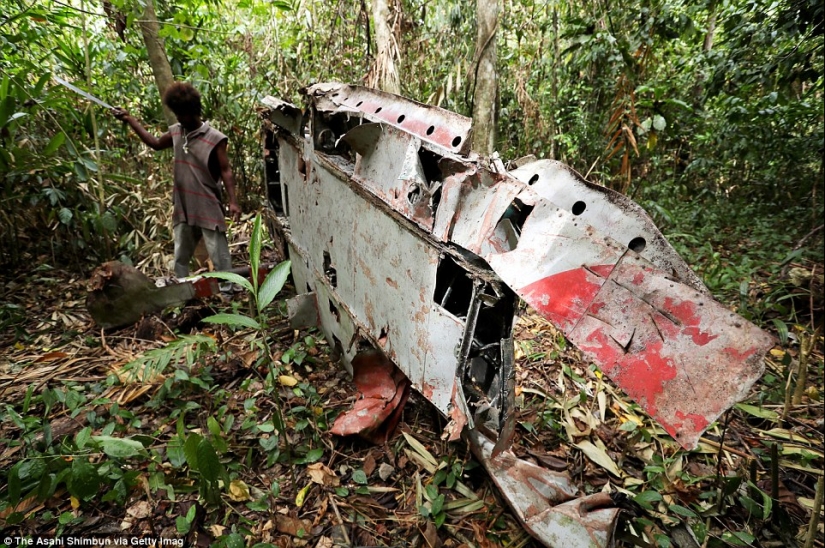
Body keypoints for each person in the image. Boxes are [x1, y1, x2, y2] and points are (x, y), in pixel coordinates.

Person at [112, 82, 242, 278]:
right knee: (181, 255)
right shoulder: (177, 131)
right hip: (184, 204)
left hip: (207, 203)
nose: (180, 118)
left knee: (219, 254)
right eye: (177, 114)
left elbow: (226, 170)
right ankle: (182, 290)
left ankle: (228, 290)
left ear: (194, 112)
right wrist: (130, 119)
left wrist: (233, 202)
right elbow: (155, 143)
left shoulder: (215, 138)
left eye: (183, 114)